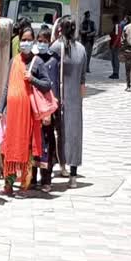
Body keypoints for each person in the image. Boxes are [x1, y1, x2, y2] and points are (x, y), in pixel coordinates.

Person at [0, 27, 52, 197]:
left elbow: (47, 84)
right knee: (9, 147)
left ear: (33, 42)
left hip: (28, 115)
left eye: (29, 40)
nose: (25, 43)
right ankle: (9, 183)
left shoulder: (38, 62)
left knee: (26, 148)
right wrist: (0, 109)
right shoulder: (14, 61)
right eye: (23, 39)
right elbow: (6, 86)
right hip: (13, 114)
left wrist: (32, 79)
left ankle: (25, 183)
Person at [51, 16, 88, 188]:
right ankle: (72, 175)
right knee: (74, 135)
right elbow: (83, 79)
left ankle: (55, 168)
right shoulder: (81, 49)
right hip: (75, 100)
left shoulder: (57, 47)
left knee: (54, 134)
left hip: (58, 98)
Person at [31, 27, 60, 193]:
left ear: (50, 42)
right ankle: (33, 177)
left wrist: (50, 111)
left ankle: (46, 178)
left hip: (48, 110)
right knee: (34, 143)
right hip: (34, 109)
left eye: (44, 41)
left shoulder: (54, 60)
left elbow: (54, 85)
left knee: (47, 144)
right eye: (39, 41)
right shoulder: (34, 60)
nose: (41, 44)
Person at [109, 14, 122, 79]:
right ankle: (115, 72)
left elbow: (117, 36)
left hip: (116, 46)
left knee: (115, 59)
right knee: (114, 59)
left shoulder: (117, 26)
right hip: (116, 45)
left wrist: (113, 45)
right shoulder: (117, 26)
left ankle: (116, 73)